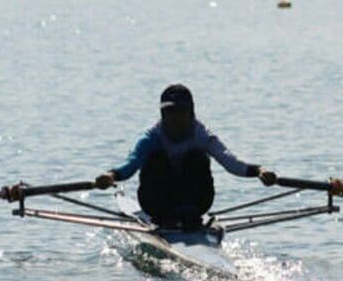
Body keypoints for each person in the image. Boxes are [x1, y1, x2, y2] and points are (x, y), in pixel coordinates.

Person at [94, 84, 278, 229]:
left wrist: (260, 171)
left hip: (195, 202)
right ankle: (165, 216)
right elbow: (131, 164)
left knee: (196, 158)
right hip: (157, 203)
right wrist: (111, 176)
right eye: (169, 112)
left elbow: (231, 163)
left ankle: (188, 213)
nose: (175, 118)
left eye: (180, 112)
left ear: (191, 113)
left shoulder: (202, 136)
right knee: (157, 160)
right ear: (162, 113)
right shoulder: (152, 137)